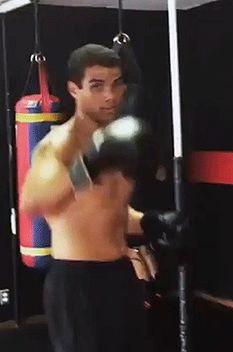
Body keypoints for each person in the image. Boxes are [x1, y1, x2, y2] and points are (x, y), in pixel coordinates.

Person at [21, 44, 184, 352]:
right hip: (77, 282)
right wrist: (89, 163)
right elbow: (34, 202)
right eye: (96, 86)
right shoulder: (58, 145)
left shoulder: (121, 142)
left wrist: (152, 221)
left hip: (120, 276)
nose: (110, 95)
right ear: (74, 89)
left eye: (116, 83)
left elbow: (113, 211)